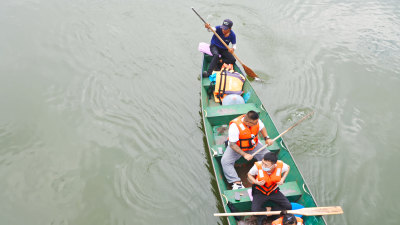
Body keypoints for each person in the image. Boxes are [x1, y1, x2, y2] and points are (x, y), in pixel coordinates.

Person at [221, 110, 273, 190]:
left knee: (270, 158)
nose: (257, 123)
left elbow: (262, 128)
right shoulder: (235, 126)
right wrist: (244, 154)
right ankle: (236, 182)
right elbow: (232, 144)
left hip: (253, 145)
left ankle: (267, 175)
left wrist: (267, 138)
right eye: (255, 123)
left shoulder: (256, 121)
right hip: (238, 148)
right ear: (248, 122)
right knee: (225, 161)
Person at [247, 152, 292, 225]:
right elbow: (249, 174)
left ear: (274, 165)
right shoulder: (257, 166)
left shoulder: (280, 165)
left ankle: (270, 210)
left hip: (273, 191)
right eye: (263, 163)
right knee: (254, 211)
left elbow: (288, 168)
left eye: (266, 165)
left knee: (288, 207)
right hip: (259, 192)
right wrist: (256, 182)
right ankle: (266, 214)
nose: (263, 165)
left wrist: (282, 179)